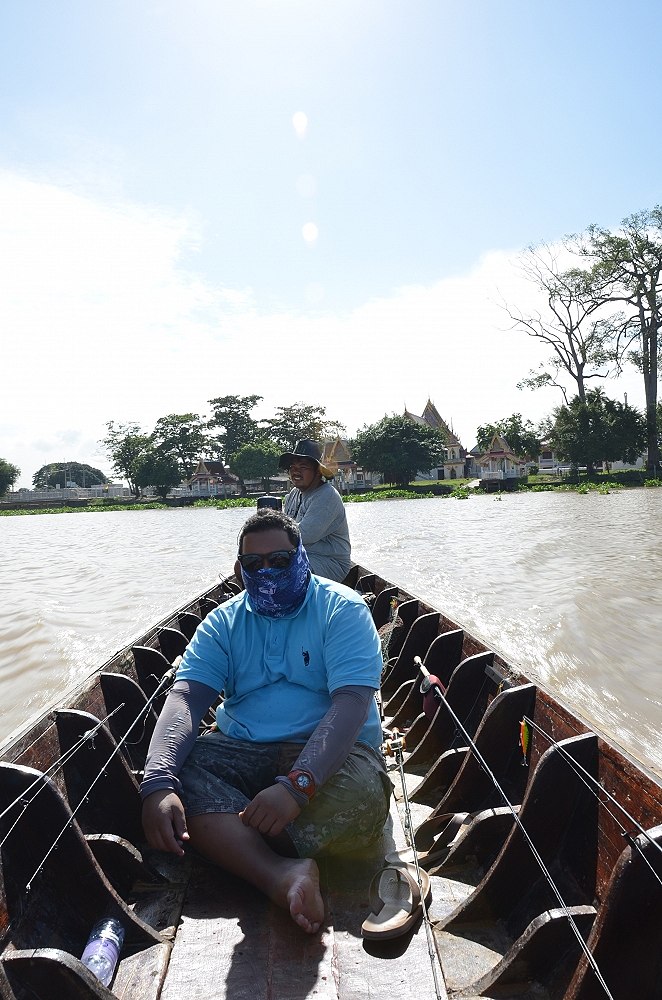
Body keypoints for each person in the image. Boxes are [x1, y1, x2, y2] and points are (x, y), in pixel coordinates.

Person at [141, 510, 391, 935]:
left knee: (364, 795)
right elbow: (187, 697)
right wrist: (158, 781)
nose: (267, 571)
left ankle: (228, 835)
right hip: (244, 750)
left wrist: (299, 784)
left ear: (301, 558)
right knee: (177, 778)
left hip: (333, 761)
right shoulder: (222, 622)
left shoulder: (342, 610)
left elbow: (350, 703)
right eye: (254, 565)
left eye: (279, 560)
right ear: (240, 570)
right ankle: (280, 872)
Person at [279, 439, 351, 582]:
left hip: (330, 563)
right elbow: (283, 528)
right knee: (244, 565)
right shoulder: (293, 494)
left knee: (282, 569)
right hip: (299, 555)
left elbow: (303, 535)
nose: (296, 471)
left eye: (303, 467)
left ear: (318, 472)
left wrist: (268, 539)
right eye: (292, 467)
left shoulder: (327, 495)